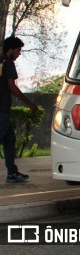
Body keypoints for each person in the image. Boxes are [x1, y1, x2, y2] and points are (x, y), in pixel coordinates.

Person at [1, 36, 38, 183]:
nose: (19, 53)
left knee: (9, 140)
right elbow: (11, 86)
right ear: (10, 50)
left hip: (3, 110)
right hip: (2, 110)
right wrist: (29, 103)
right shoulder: (8, 63)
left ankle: (12, 173)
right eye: (18, 50)